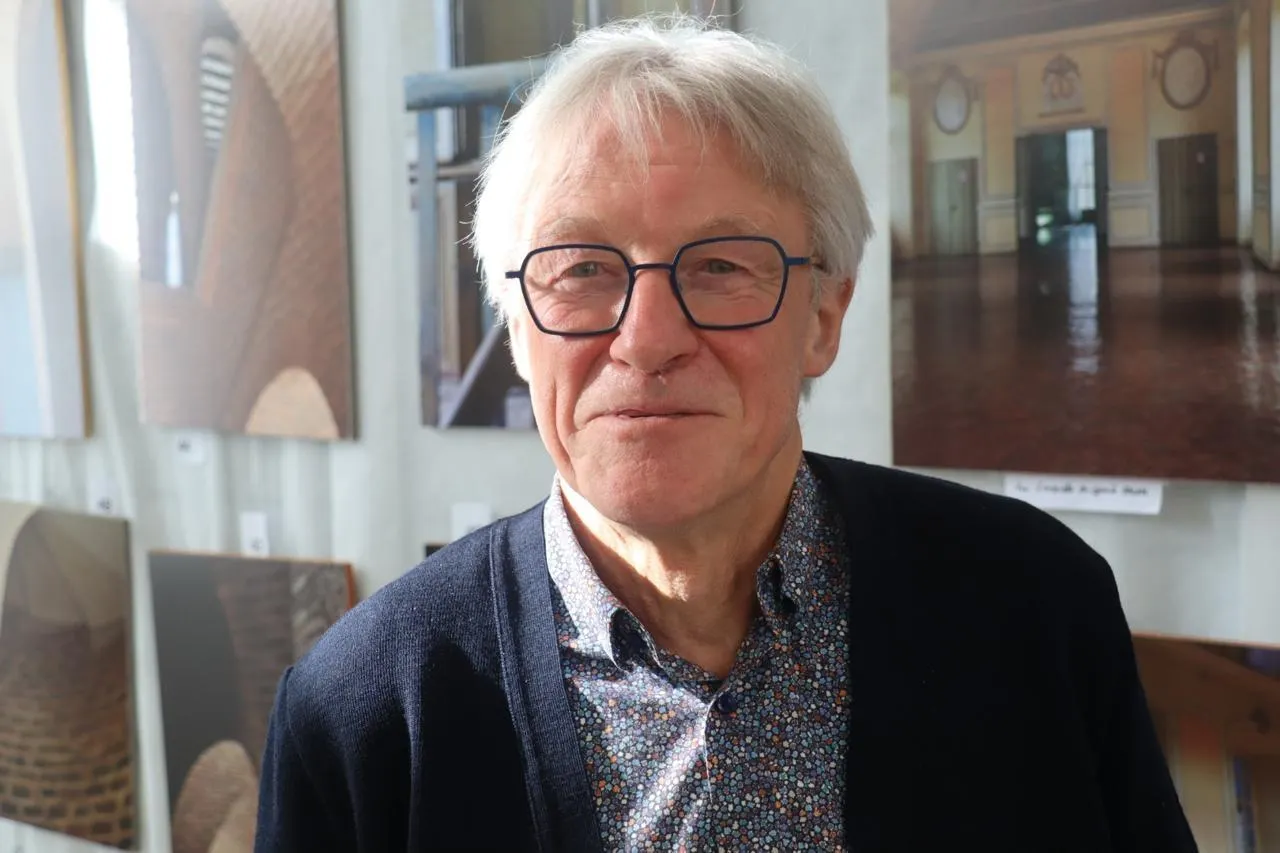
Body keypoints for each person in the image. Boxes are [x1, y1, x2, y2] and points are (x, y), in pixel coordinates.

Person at [254, 14, 1196, 853]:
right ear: (516, 329)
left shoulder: (1035, 609)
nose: (647, 339)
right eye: (581, 269)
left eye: (719, 266)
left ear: (824, 316)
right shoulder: (364, 713)